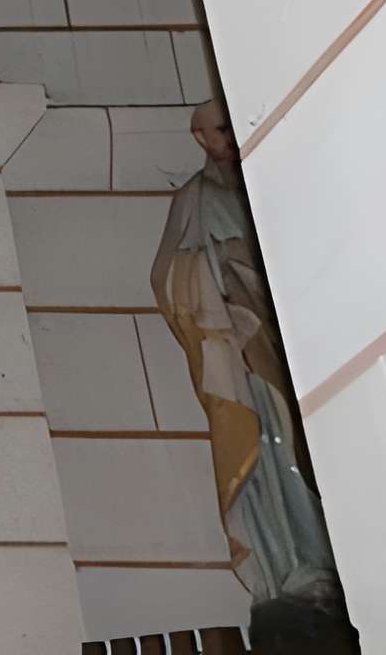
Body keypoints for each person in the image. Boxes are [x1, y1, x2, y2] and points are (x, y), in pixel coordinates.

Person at [151, 98, 345, 624]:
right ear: (202, 138)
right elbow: (169, 274)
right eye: (221, 131)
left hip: (294, 339)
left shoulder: (272, 184)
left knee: (312, 440)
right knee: (269, 448)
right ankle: (295, 564)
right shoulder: (195, 198)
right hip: (240, 344)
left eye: (237, 128)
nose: (232, 140)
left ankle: (336, 558)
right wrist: (222, 269)